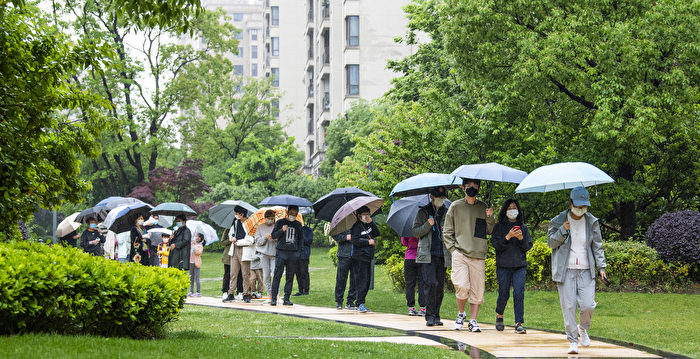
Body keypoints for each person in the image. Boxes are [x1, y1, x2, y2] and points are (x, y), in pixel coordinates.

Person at [548, 186, 607, 355]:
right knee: (568, 307)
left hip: (586, 269)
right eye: (578, 205)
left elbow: (597, 245)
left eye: (584, 206)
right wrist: (562, 230)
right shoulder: (559, 220)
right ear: (571, 203)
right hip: (566, 270)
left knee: (588, 305)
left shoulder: (591, 221)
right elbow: (551, 243)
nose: (581, 209)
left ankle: (583, 327)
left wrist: (601, 267)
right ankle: (573, 341)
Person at [443, 178, 495, 332]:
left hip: (478, 254)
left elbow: (489, 231)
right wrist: (453, 250)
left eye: (475, 185)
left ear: (478, 187)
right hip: (460, 252)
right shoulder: (455, 206)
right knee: (461, 286)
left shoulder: (483, 207)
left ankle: (473, 320)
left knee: (477, 290)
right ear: (463, 187)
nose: (472, 187)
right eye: (469, 185)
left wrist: (490, 217)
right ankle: (461, 313)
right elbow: (447, 231)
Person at [491, 199, 533, 334]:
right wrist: (508, 236)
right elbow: (496, 245)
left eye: (515, 207)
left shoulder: (523, 228)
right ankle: (499, 315)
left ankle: (519, 323)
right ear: (505, 210)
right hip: (503, 265)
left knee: (519, 293)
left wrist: (521, 238)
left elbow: (527, 247)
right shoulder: (499, 227)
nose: (512, 210)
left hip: (519, 265)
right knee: (504, 293)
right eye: (509, 208)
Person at [413, 186, 451, 326]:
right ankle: (429, 315)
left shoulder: (447, 212)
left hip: (442, 253)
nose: (441, 200)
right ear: (431, 196)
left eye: (443, 198)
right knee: (431, 283)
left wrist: (447, 230)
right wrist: (428, 225)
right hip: (427, 254)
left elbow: (453, 232)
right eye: (438, 197)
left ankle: (436, 314)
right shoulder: (423, 212)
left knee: (440, 286)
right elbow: (416, 231)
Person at [270, 205, 304, 306]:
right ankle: (274, 298)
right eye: (292, 213)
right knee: (277, 275)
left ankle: (287, 298)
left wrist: (298, 252)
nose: (293, 215)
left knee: (290, 277)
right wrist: (282, 230)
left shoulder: (298, 224)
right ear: (287, 212)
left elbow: (301, 239)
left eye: (295, 213)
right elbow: (273, 235)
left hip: (293, 253)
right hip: (281, 252)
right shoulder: (280, 222)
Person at [350, 206, 379, 313]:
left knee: (367, 281)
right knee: (361, 280)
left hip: (368, 256)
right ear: (359, 216)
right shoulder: (356, 227)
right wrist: (367, 242)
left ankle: (361, 302)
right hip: (359, 257)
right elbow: (355, 240)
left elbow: (377, 233)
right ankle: (360, 303)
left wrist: (371, 223)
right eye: (364, 214)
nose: (366, 216)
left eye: (368, 214)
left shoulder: (368, 225)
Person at [224, 206, 252, 303]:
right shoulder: (235, 222)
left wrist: (239, 242)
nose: (236, 215)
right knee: (233, 273)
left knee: (245, 274)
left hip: (244, 250)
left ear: (242, 214)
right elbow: (230, 233)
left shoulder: (250, 223)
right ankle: (231, 293)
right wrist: (232, 238)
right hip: (234, 250)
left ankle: (245, 294)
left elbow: (251, 240)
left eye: (237, 213)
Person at [254, 209, 277, 302]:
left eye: (272, 218)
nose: (270, 220)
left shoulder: (276, 226)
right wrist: (265, 238)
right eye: (268, 218)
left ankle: (277, 294)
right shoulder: (260, 227)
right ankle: (269, 295)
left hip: (274, 254)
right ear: (265, 218)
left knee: (275, 274)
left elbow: (281, 239)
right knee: (266, 275)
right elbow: (257, 241)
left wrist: (276, 238)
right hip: (264, 254)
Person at [401, 236, 425, 316]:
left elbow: (404, 243)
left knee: (410, 284)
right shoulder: (421, 228)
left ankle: (411, 308)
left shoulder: (407, 230)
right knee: (422, 283)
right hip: (422, 257)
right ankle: (423, 308)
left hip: (409, 258)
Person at [333, 229, 357, 310]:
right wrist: (345, 237)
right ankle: (339, 301)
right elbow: (334, 234)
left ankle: (350, 301)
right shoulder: (342, 224)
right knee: (341, 279)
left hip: (356, 255)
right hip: (344, 255)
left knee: (355, 279)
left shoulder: (358, 224)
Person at [293, 223, 313, 296]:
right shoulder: (294, 230)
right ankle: (300, 290)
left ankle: (306, 290)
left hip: (304, 254)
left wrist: (301, 235)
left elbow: (309, 241)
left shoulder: (308, 230)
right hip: (295, 254)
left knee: (304, 272)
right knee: (297, 273)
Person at [188, 233, 205, 297]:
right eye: (196, 236)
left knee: (196, 278)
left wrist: (195, 245)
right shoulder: (192, 244)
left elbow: (198, 253)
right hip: (191, 262)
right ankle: (191, 291)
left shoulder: (200, 246)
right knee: (191, 278)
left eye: (198, 237)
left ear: (200, 239)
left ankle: (198, 292)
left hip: (196, 263)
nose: (196, 237)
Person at [220, 227, 232, 300]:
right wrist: (230, 240)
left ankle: (239, 291)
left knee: (240, 274)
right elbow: (222, 242)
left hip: (239, 254)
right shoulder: (228, 229)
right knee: (227, 274)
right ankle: (225, 291)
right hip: (228, 256)